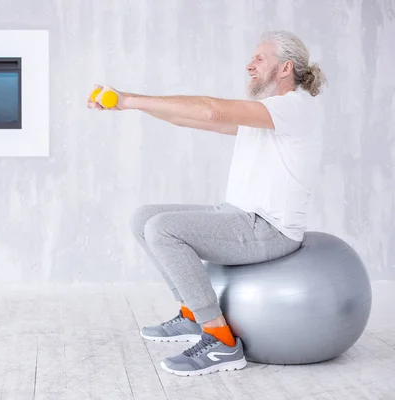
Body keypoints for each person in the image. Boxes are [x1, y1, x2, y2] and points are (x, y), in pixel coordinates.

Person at [87, 30, 326, 376]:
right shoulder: (265, 113)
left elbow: (212, 111)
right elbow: (191, 117)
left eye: (259, 58)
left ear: (285, 67)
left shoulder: (293, 108)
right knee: (144, 218)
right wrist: (131, 107)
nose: (249, 65)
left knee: (163, 229)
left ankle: (221, 342)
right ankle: (191, 314)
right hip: (238, 215)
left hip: (269, 228)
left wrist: (129, 99)